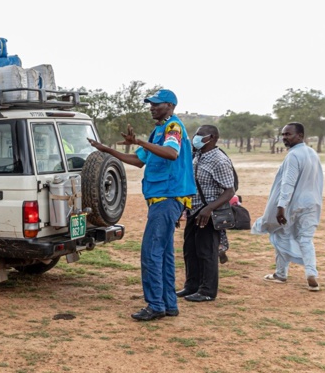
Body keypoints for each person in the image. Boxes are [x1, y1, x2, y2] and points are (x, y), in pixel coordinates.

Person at [88, 89, 194, 321]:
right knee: (164, 253)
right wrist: (107, 151)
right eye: (150, 104)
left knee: (151, 253)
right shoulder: (159, 131)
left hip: (167, 198)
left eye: (156, 104)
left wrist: (139, 141)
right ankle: (168, 304)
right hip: (162, 198)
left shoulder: (173, 128)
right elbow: (138, 161)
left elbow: (171, 153)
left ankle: (155, 304)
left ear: (170, 105)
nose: (151, 107)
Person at [252, 122, 324, 291]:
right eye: (283, 134)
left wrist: (280, 207)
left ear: (300, 136)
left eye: (288, 134)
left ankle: (281, 274)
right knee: (306, 239)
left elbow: (288, 183)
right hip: (312, 203)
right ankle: (311, 274)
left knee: (280, 234)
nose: (284, 138)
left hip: (293, 204)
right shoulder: (312, 153)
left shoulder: (293, 155)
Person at [177, 125, 235, 303]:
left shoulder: (219, 160)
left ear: (212, 138)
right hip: (194, 210)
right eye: (196, 134)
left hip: (208, 213)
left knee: (206, 251)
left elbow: (229, 191)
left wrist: (209, 208)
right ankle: (192, 285)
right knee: (190, 250)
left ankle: (208, 290)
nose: (196, 137)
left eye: (200, 135)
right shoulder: (198, 157)